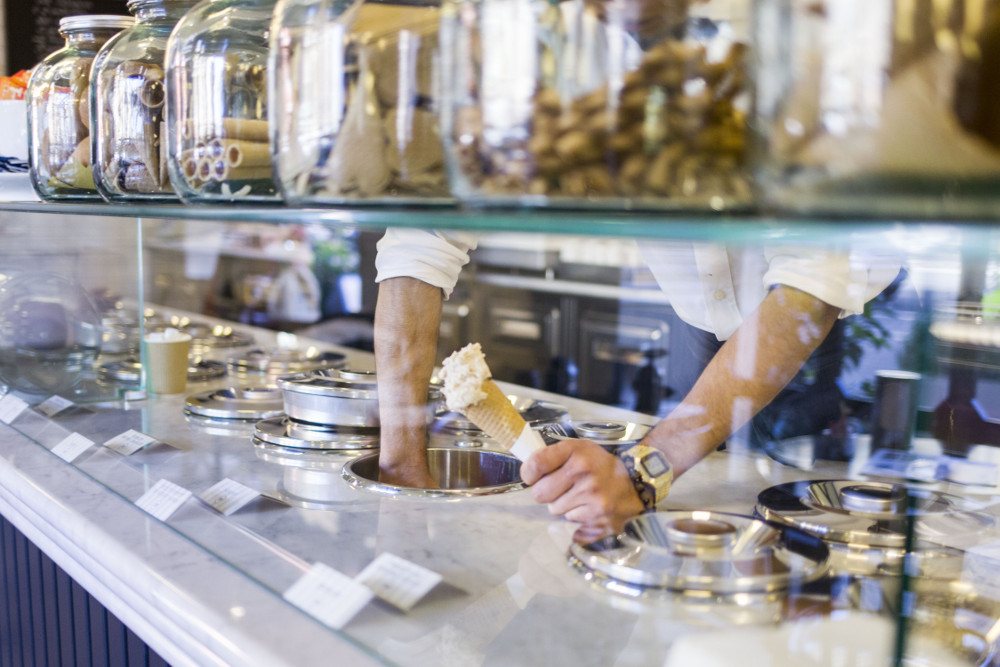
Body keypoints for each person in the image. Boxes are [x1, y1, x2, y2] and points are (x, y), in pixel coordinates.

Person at [374, 228, 900, 536]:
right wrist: (400, 464)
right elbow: (421, 235)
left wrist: (644, 472)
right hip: (698, 334)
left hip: (840, 338)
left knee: (820, 536)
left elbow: (816, 280)